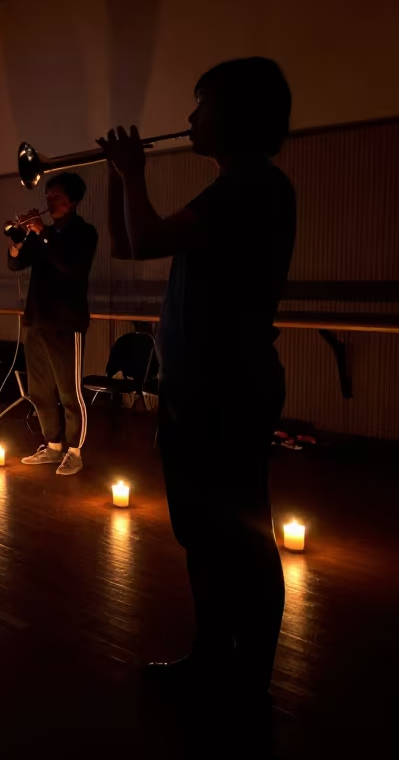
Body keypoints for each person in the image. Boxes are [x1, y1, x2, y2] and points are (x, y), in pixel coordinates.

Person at [101, 57, 295, 711]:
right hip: (196, 389)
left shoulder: (252, 188)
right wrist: (116, 178)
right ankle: (215, 657)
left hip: (227, 390)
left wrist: (132, 174)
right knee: (203, 537)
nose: (189, 119)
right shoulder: (232, 187)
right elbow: (130, 245)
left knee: (240, 535)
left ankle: (249, 681)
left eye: (201, 104)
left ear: (236, 114)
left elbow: (148, 235)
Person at [7, 172, 98, 475]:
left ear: (73, 201)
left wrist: (42, 232)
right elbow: (16, 263)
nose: (49, 201)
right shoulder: (41, 234)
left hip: (66, 322)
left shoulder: (84, 232)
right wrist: (17, 241)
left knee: (69, 392)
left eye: (56, 196)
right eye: (47, 195)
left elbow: (70, 267)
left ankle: (74, 451)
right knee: (39, 390)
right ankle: (52, 445)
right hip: (36, 319)